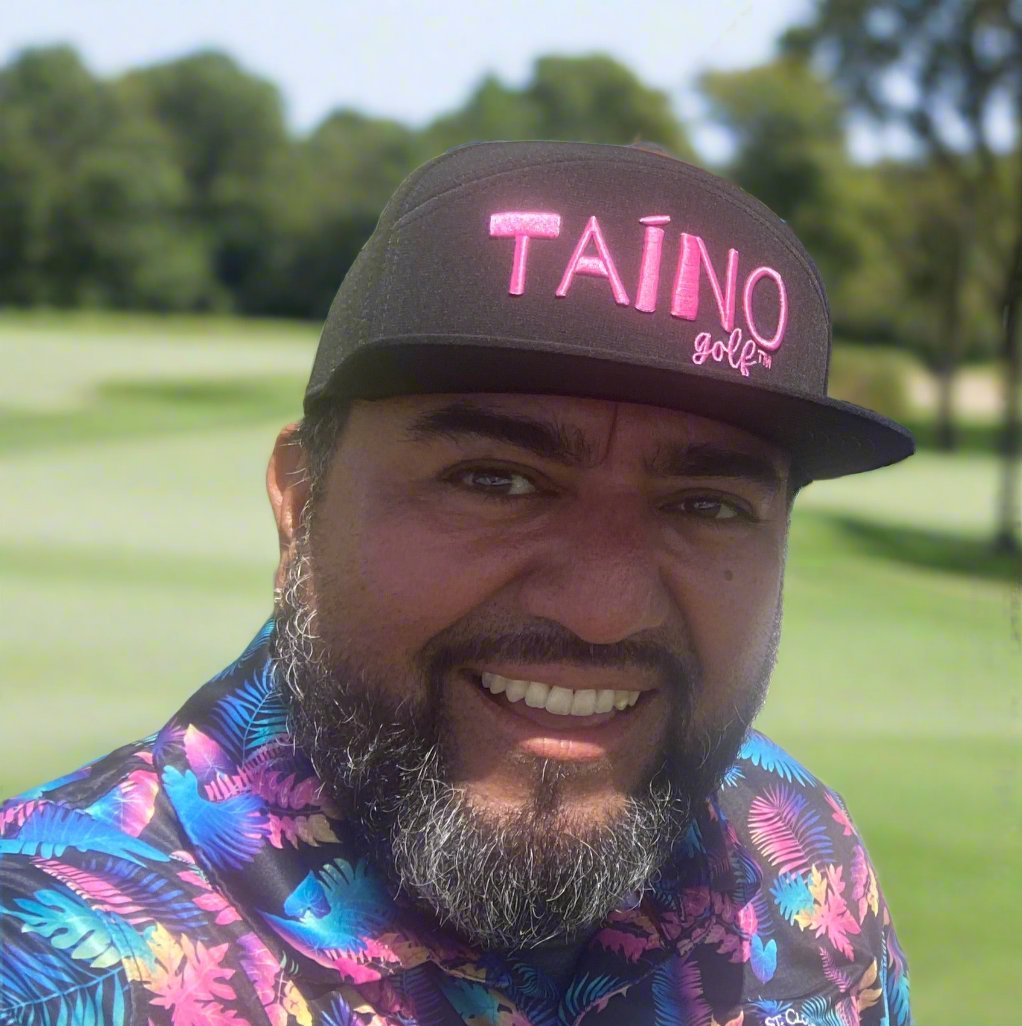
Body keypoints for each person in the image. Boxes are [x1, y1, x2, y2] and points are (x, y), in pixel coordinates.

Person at [0, 141, 912, 1026]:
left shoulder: (801, 856)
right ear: (301, 502)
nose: (600, 610)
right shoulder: (44, 975)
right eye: (495, 481)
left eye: (706, 504)